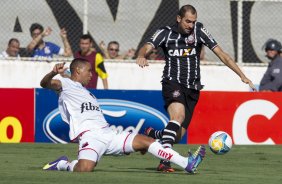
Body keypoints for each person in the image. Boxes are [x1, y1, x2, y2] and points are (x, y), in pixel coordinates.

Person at [136, 4, 256, 172]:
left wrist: (241, 75)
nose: (190, 25)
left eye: (193, 22)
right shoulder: (165, 32)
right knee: (178, 116)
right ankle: (165, 161)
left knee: (177, 136)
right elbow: (147, 46)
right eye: (187, 22)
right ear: (178, 18)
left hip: (193, 88)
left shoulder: (199, 30)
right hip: (172, 82)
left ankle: (154, 134)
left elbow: (221, 54)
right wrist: (142, 55)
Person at [40, 59, 206, 173]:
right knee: (84, 170)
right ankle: (62, 164)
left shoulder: (86, 92)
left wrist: (65, 74)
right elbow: (45, 83)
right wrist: (52, 72)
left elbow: (72, 80)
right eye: (89, 71)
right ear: (78, 70)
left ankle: (187, 163)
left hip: (109, 133)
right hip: (90, 137)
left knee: (147, 141)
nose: (92, 74)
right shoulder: (65, 84)